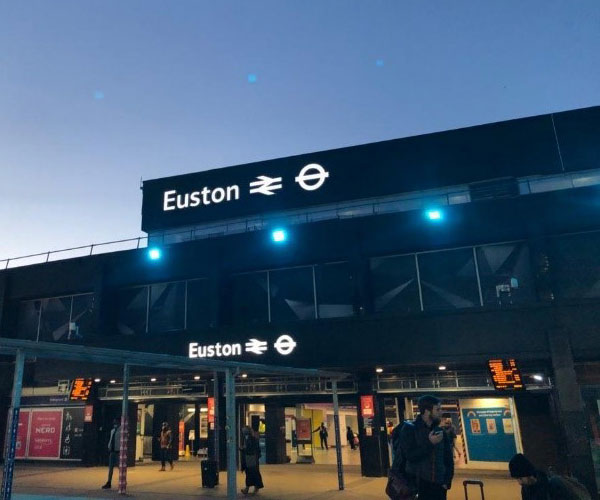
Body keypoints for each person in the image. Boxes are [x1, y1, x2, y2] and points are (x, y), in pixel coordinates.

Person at [399, 395, 453, 499]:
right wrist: (430, 443)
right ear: (427, 411)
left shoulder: (440, 432)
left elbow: (448, 459)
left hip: (439, 486)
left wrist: (447, 481)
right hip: (418, 487)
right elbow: (410, 456)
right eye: (437, 409)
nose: (441, 412)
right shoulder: (409, 430)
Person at [509, 454, 574, 499]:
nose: (519, 483)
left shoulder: (552, 485)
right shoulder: (525, 490)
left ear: (527, 474)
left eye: (520, 478)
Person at [240, 426, 264, 495]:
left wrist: (243, 449)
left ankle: (253, 488)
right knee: (250, 473)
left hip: (251, 458)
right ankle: (248, 488)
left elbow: (250, 448)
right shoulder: (248, 438)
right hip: (251, 458)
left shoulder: (251, 439)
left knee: (252, 473)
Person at [102, 418, 121, 489]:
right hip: (112, 451)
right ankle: (109, 482)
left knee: (120, 467)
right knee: (110, 468)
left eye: (115, 422)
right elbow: (111, 439)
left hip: (118, 451)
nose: (114, 424)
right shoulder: (112, 430)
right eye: (114, 422)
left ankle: (122, 480)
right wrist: (109, 445)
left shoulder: (122, 430)